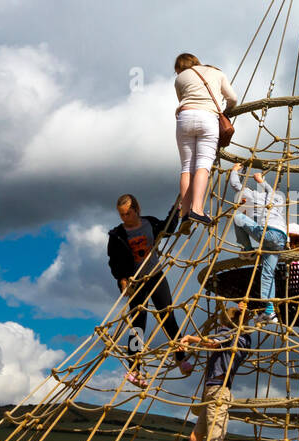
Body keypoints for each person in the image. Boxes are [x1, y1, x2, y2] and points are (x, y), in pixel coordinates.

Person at [106, 194, 190, 385]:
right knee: (138, 325)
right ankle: (134, 370)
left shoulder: (149, 223)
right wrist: (122, 280)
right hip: (136, 281)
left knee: (167, 315)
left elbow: (167, 229)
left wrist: (176, 209)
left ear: (136, 209)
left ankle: (180, 357)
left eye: (128, 213)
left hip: (155, 275)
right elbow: (114, 261)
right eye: (121, 215)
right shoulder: (117, 235)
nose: (125, 217)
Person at [179, 302, 256, 441]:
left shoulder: (234, 336)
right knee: (195, 438)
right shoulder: (238, 337)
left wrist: (191, 338)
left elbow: (212, 342)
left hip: (219, 392)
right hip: (211, 390)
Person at [174, 52, 236, 225]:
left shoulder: (180, 79)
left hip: (184, 117)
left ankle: (185, 213)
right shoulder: (217, 73)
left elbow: (183, 99)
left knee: (187, 167)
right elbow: (233, 98)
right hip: (208, 117)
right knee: (203, 165)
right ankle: (197, 210)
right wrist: (227, 109)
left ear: (179, 68)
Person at [229, 163, 288, 325]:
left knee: (238, 216)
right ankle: (270, 312)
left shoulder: (251, 195)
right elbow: (269, 190)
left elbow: (235, 185)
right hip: (281, 239)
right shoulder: (276, 197)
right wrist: (261, 180)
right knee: (268, 273)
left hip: (268, 234)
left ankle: (248, 250)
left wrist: (234, 171)